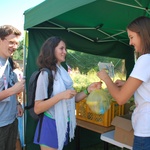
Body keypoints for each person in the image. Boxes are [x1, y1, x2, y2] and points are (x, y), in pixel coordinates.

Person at [33, 36, 101, 150]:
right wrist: (61, 96)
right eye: (61, 48)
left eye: (65, 49)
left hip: (64, 123)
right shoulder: (45, 75)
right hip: (50, 125)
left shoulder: (63, 73)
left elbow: (73, 99)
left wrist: (88, 90)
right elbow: (37, 108)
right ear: (51, 50)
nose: (65, 52)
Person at [97, 16, 150, 150]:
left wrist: (106, 78)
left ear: (143, 35)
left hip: (146, 131)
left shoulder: (145, 59)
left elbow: (121, 99)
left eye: (132, 37)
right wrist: (127, 84)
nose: (130, 42)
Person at [0, 25, 25, 150]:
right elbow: (11, 89)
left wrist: (17, 104)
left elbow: (9, 85)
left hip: (11, 120)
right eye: (11, 42)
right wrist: (13, 91)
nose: (14, 47)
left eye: (16, 43)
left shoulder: (8, 62)